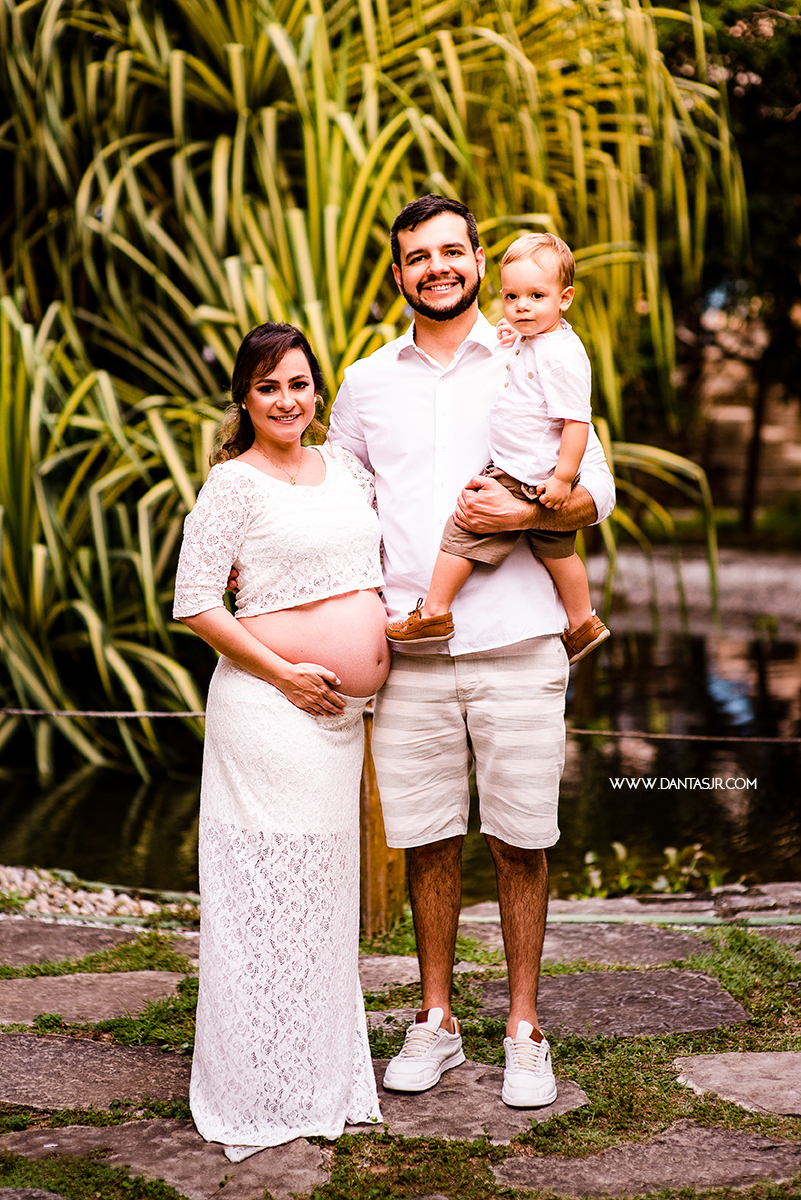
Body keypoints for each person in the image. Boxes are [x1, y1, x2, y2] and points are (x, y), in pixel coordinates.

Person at [328, 196, 615, 1108]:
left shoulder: (531, 353)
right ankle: (438, 1020)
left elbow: (593, 491)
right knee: (426, 841)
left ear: (479, 259)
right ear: (399, 272)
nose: (436, 267)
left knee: (522, 839)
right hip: (409, 649)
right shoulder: (364, 383)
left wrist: (527, 510)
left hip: (521, 641)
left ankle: (525, 1029)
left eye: (452, 251)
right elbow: (342, 513)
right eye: (418, 257)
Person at [173, 323, 389, 1156]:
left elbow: (367, 573)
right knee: (265, 888)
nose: (286, 401)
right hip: (269, 712)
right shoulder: (232, 485)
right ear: (244, 399)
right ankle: (257, 1083)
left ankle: (315, 1077)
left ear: (316, 391)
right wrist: (286, 674)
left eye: (298, 384)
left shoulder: (347, 470)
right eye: (268, 388)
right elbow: (197, 601)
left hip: (339, 729)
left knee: (322, 894)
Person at [384, 232, 610, 667]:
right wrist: (517, 333)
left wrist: (562, 479)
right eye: (512, 297)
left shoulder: (560, 356)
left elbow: (577, 423)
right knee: (557, 550)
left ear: (564, 298)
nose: (522, 307)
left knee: (464, 526)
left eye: (535, 296)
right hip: (536, 472)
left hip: (523, 473)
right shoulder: (538, 339)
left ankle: (433, 612)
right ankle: (583, 622)